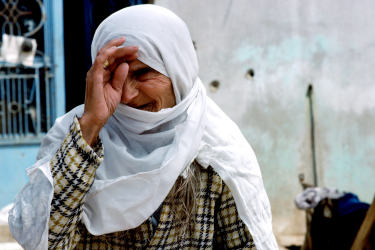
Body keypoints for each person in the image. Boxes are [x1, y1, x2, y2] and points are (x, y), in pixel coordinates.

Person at [8, 5, 277, 250]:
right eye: (113, 76)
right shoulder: (76, 142)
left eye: (142, 73)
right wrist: (91, 124)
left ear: (178, 70)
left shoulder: (218, 153)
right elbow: (44, 242)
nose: (126, 95)